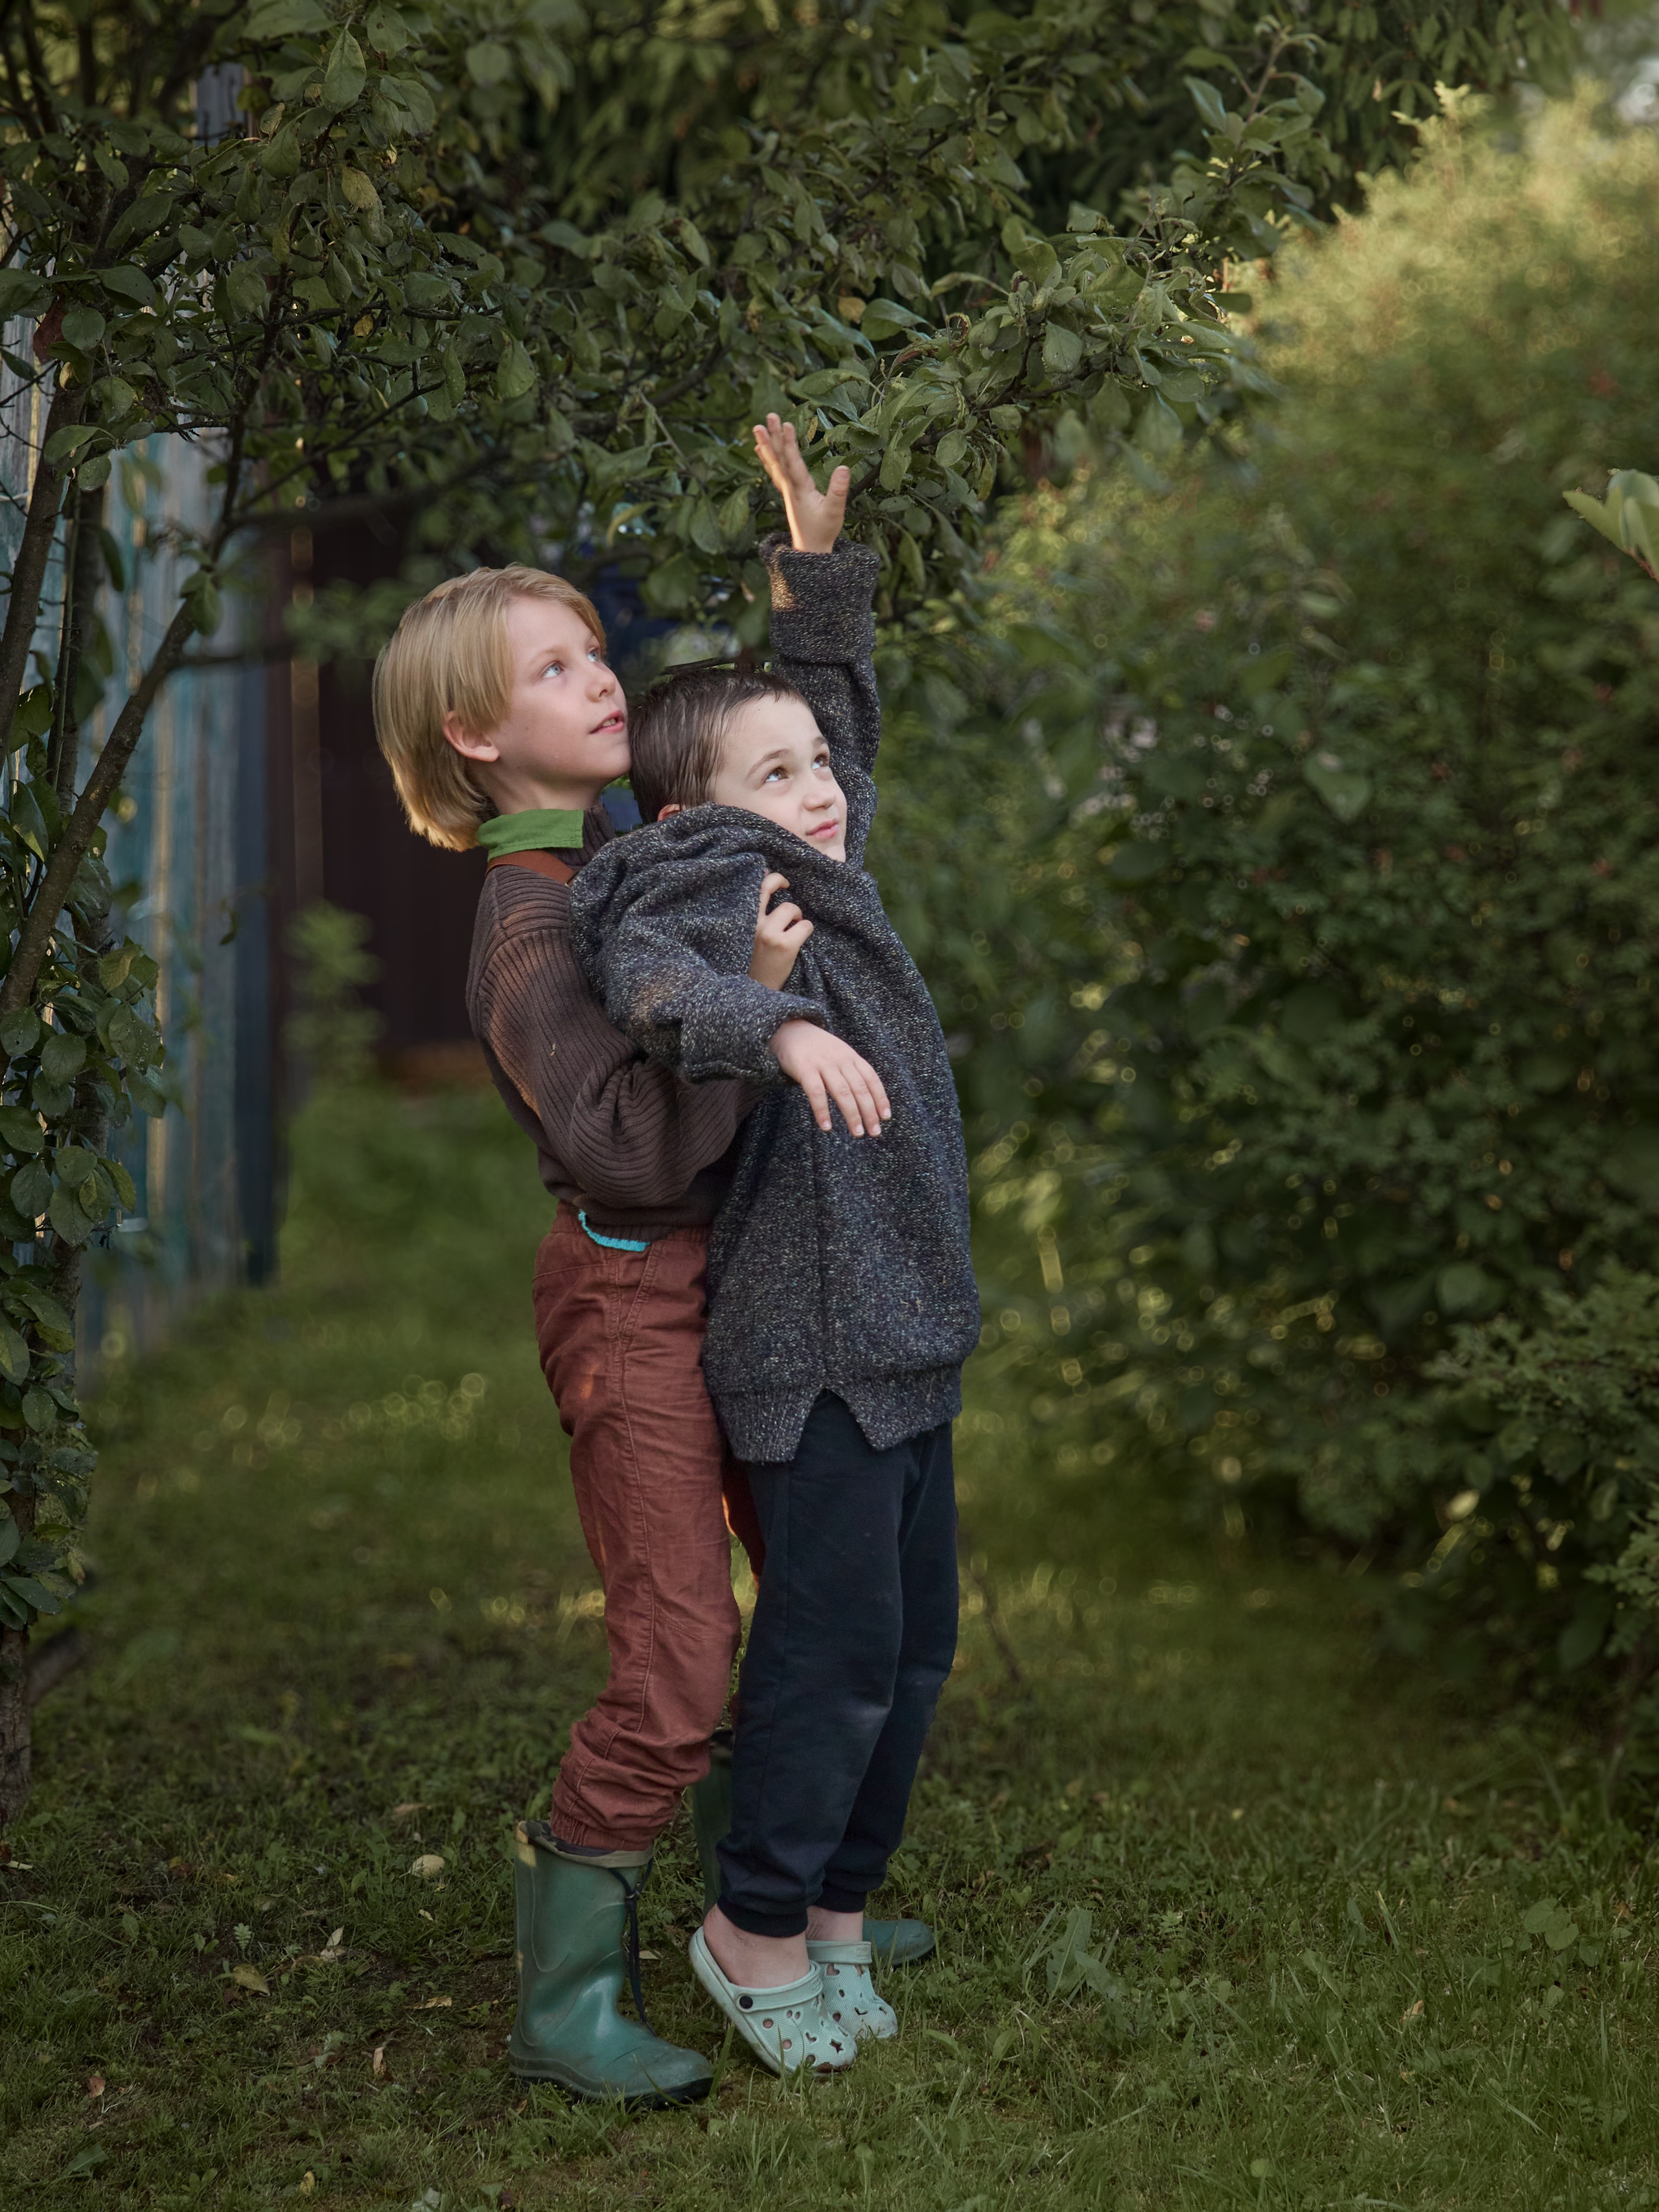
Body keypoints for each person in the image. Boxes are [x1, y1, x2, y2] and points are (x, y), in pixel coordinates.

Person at [370, 493, 839, 2105]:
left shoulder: (619, 857)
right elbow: (633, 1152)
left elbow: (789, 782)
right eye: (553, 666)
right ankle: (564, 1997)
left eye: (590, 649)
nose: (597, 677)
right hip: (635, 1296)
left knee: (809, 1580)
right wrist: (755, 1012)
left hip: (730, 1279)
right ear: (475, 731)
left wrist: (808, 584)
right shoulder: (527, 930)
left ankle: (755, 1910)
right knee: (676, 1655)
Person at [568, 419, 980, 2077]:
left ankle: (830, 1913)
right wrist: (773, 1021)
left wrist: (810, 570)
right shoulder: (691, 875)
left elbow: (840, 721)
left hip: (902, 1336)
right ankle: (748, 1921)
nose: (818, 789)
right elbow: (654, 983)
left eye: (816, 766)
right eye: (778, 773)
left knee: (911, 1643)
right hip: (809, 1345)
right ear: (688, 810)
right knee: (831, 1648)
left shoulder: (805, 849)